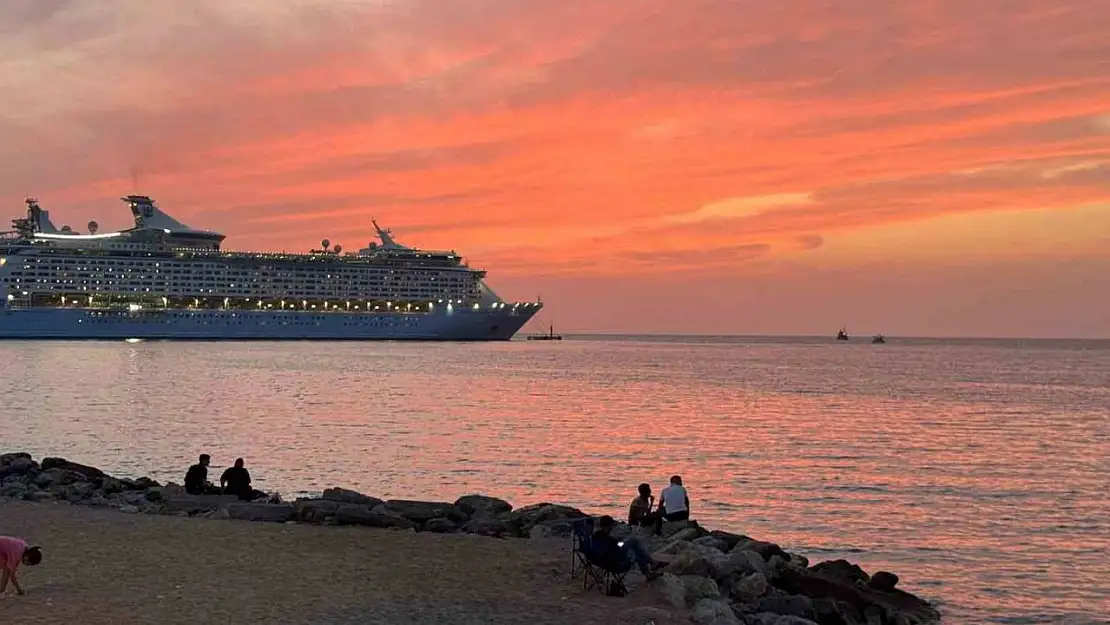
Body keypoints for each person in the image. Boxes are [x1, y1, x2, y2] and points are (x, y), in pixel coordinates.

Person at [591, 515, 662, 581]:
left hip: (602, 560)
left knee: (637, 550)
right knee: (634, 544)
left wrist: (618, 541)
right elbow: (618, 545)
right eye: (611, 527)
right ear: (607, 526)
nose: (611, 529)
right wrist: (622, 542)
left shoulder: (597, 535)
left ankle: (650, 568)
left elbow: (612, 544)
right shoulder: (607, 538)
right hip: (616, 562)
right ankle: (652, 565)